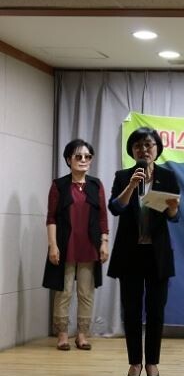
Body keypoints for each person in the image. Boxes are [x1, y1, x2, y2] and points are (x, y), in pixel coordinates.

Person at [107, 127, 180, 376]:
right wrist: (131, 185)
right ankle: (135, 363)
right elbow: (115, 208)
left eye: (148, 144)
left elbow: (175, 217)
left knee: (156, 311)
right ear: (132, 151)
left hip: (157, 254)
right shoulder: (123, 176)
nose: (144, 149)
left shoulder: (168, 177)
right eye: (138, 145)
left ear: (157, 149)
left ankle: (152, 363)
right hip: (130, 254)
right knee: (132, 311)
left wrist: (173, 209)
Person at [42, 139, 109, 351]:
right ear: (68, 159)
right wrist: (53, 245)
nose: (83, 160)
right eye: (78, 156)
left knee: (86, 293)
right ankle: (62, 335)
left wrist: (104, 242)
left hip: (89, 245)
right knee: (64, 291)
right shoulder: (59, 185)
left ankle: (82, 335)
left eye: (87, 156)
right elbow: (51, 218)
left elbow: (103, 217)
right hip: (65, 245)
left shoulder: (96, 185)